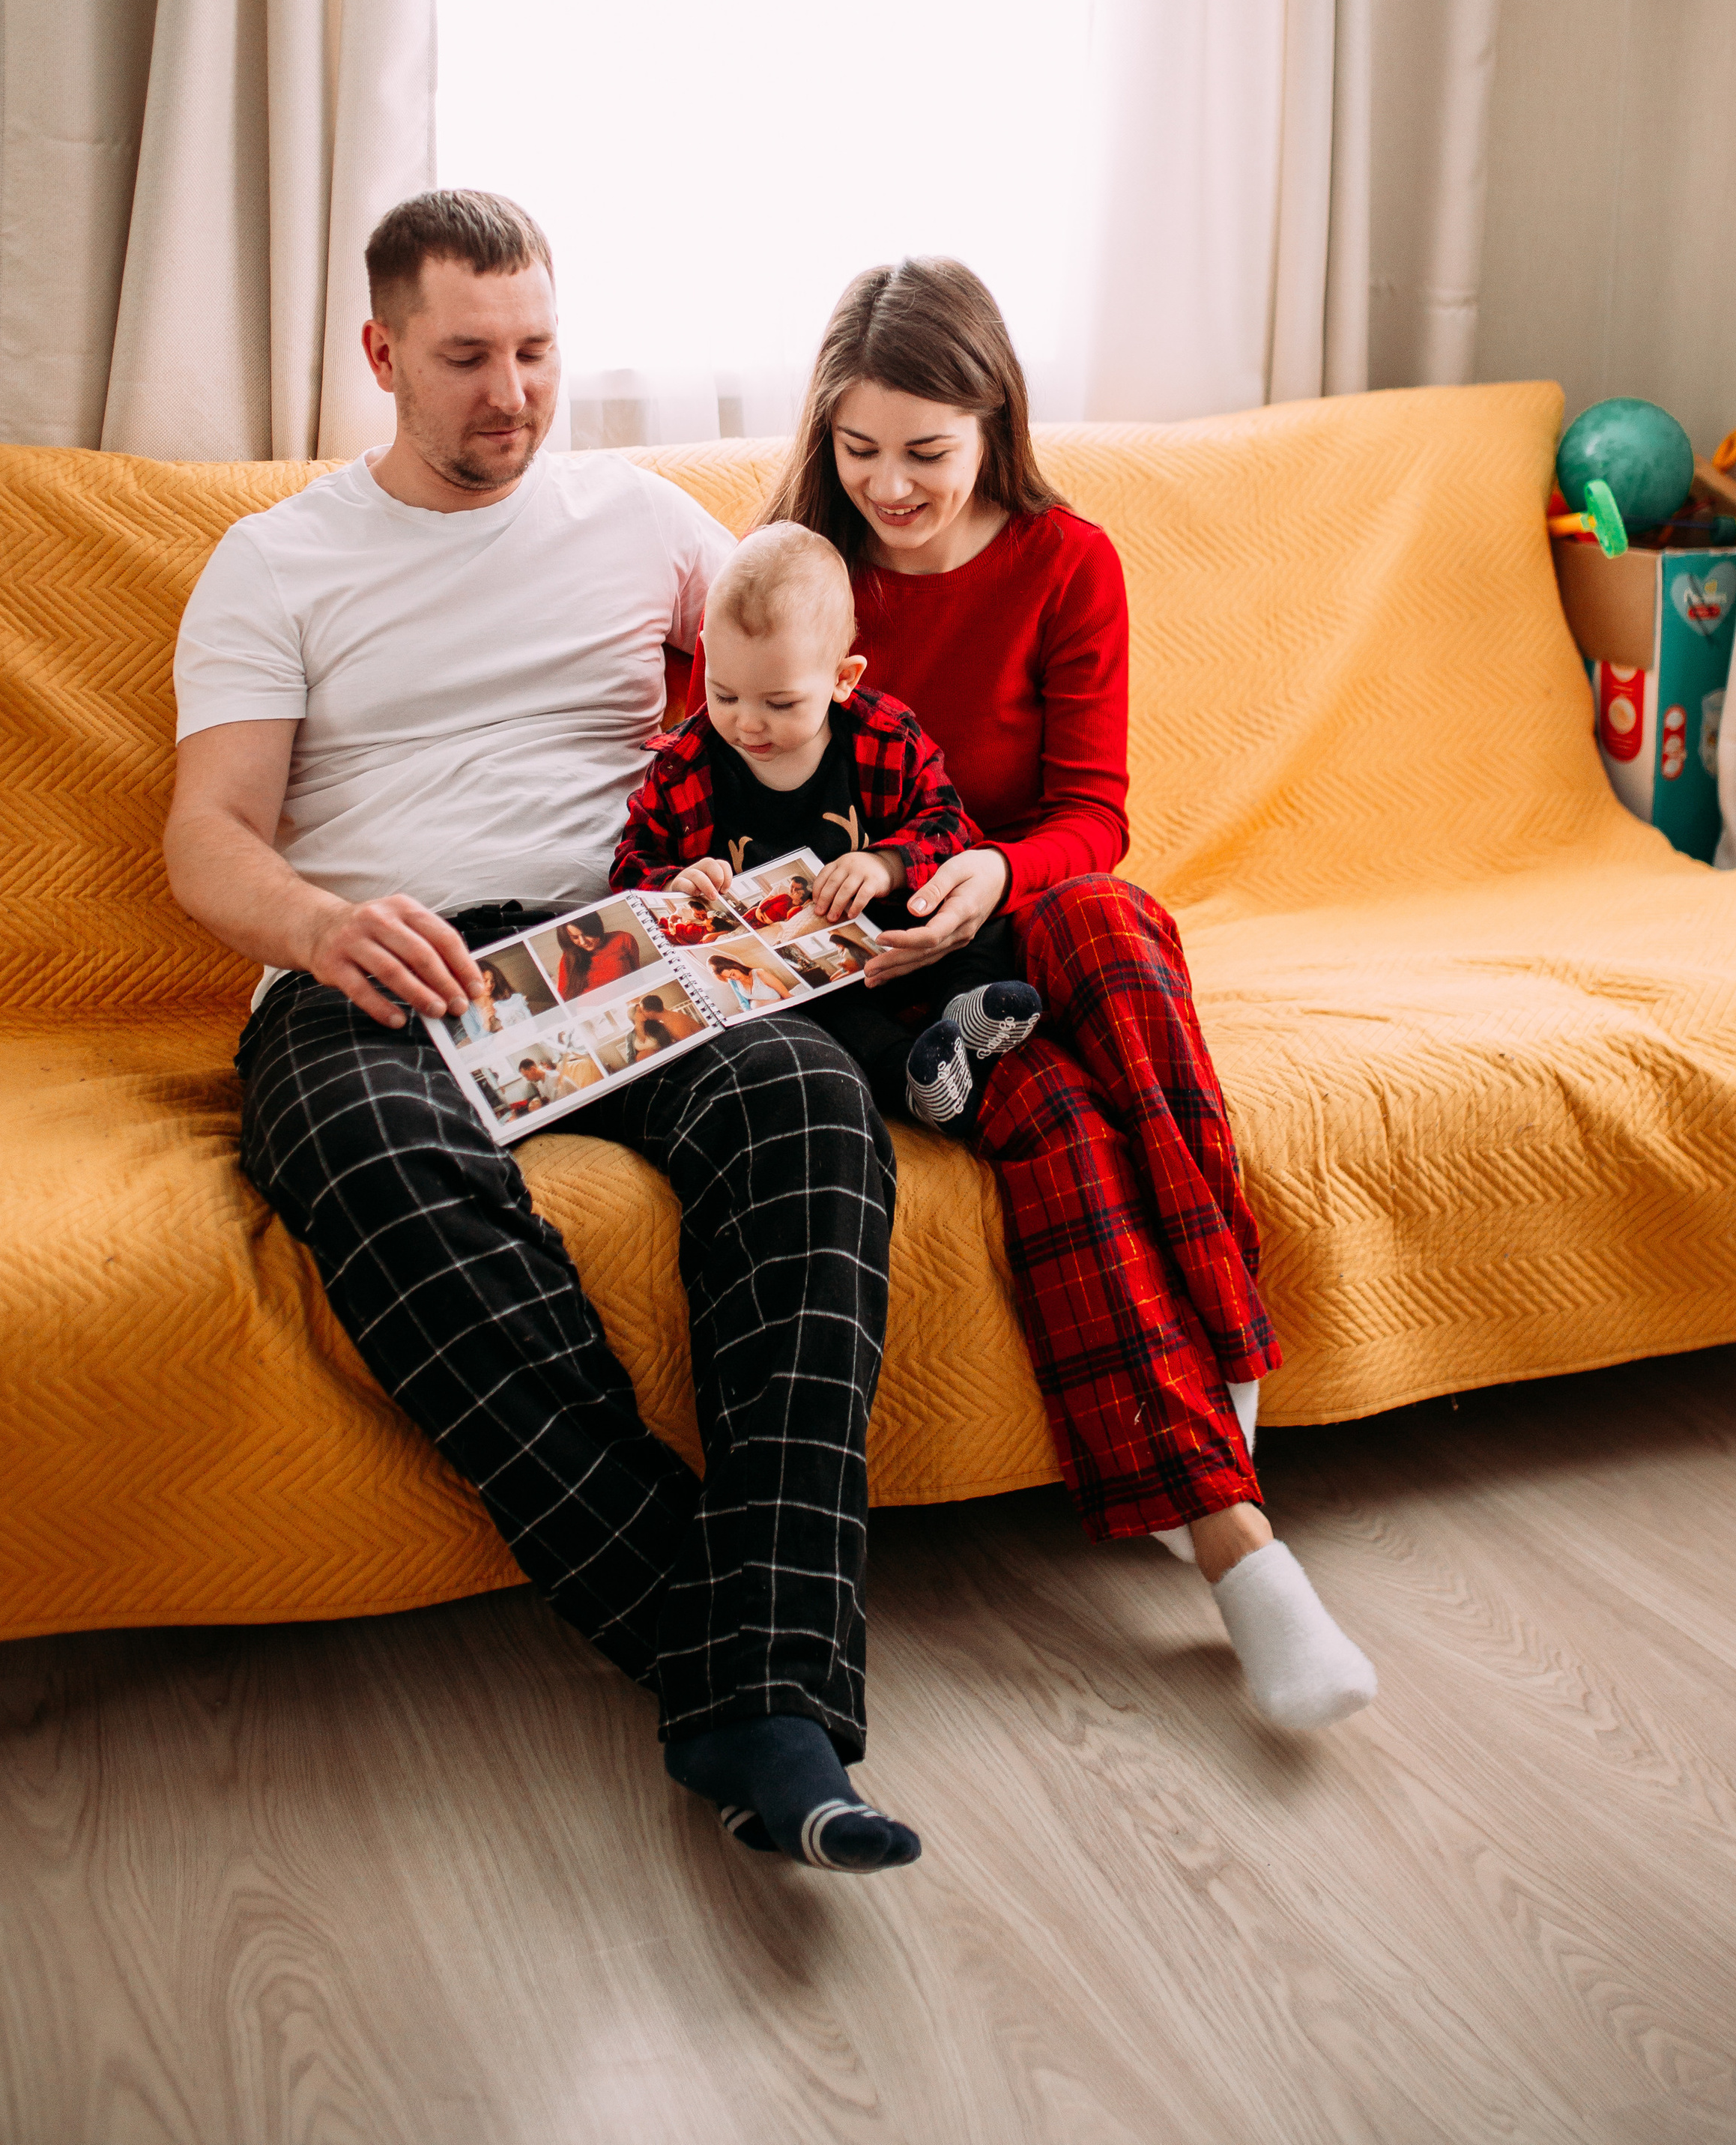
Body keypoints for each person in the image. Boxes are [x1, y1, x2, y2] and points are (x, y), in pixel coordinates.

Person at [163, 187, 920, 1873]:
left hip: (618, 943)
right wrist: (318, 923)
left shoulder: (643, 520)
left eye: (535, 351)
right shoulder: (275, 560)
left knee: (805, 1104)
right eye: (464, 358)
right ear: (379, 355)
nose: (510, 394)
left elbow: (799, 683)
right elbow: (207, 829)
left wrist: (842, 874)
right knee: (365, 1160)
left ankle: (746, 1679)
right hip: (378, 967)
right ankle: (750, 1672)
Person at [748, 257, 1377, 1734]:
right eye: (856, 451)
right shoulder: (793, 569)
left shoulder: (1064, 560)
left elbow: (1093, 812)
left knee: (1102, 917)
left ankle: (1219, 1355)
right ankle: (1235, 1540)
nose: (887, 487)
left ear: (993, 422)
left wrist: (989, 875)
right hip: (894, 976)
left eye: (923, 452)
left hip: (1026, 911)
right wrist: (872, 909)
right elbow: (744, 811)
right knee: (1054, 1127)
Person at [615, 521, 1042, 1127]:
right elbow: (631, 861)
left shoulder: (884, 737)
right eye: (725, 694)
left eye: (780, 703)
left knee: (983, 922)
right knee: (811, 1020)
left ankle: (966, 1012)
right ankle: (914, 1078)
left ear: (844, 679)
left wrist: (886, 863)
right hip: (804, 982)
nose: (748, 725)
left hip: (900, 945)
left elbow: (950, 825)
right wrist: (675, 884)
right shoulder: (686, 765)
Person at [555, 913, 641, 1001]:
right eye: (575, 937)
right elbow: (563, 997)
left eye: (585, 934)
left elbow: (637, 978)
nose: (583, 942)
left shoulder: (623, 939)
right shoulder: (569, 957)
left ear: (595, 928)